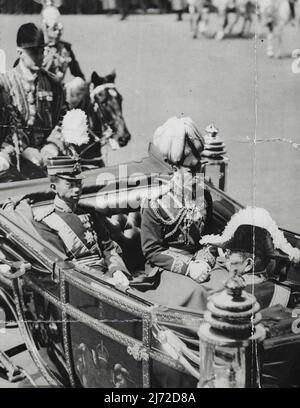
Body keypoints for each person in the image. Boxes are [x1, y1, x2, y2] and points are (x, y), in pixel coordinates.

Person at [136, 116, 218, 310]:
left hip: (199, 260)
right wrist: (188, 268)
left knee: (226, 285)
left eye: (199, 168)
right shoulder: (155, 202)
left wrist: (204, 260)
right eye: (191, 170)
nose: (198, 174)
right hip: (165, 269)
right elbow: (152, 251)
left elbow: (209, 237)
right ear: (174, 169)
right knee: (196, 293)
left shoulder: (202, 195)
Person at [32, 156, 131, 287]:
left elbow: (107, 247)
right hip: (78, 283)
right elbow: (61, 264)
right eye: (70, 184)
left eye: (78, 183)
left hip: (107, 275)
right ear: (54, 187)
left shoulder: (89, 212)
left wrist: (117, 270)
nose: (77, 189)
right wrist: (101, 281)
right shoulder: (45, 221)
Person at [200, 206, 300, 309]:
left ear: (248, 264)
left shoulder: (232, 294)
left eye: (230, 253)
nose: (226, 256)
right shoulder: (281, 292)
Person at [0, 23, 64, 171]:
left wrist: (52, 145)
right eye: (33, 52)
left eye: (42, 51)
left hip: (47, 151)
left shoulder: (53, 83)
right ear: (19, 52)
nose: (40, 57)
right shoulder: (5, 83)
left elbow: (63, 118)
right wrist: (23, 150)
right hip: (10, 151)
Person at [42, 4, 85, 82]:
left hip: (59, 88)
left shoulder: (66, 48)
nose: (58, 32)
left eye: (60, 29)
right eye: (54, 29)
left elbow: (76, 72)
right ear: (46, 28)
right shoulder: (38, 46)